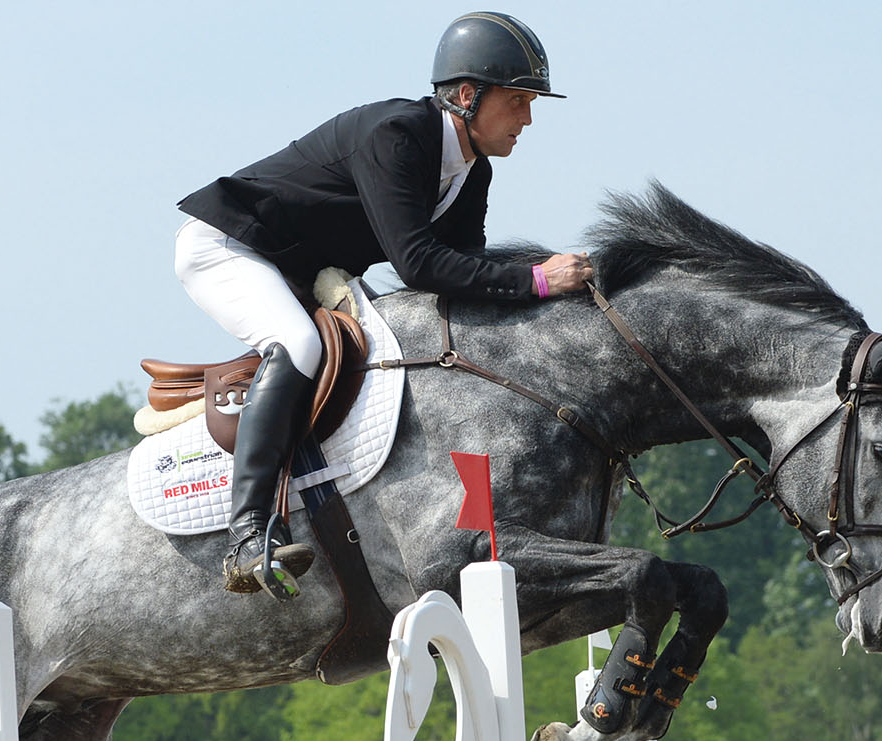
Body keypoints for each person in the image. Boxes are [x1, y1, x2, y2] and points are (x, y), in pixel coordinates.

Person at [174, 11, 593, 596]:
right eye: (518, 100)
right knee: (298, 344)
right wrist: (537, 281)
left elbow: (464, 274)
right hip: (229, 245)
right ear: (467, 96)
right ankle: (247, 537)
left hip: (298, 268)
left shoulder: (471, 172)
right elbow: (419, 265)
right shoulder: (397, 135)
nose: (527, 118)